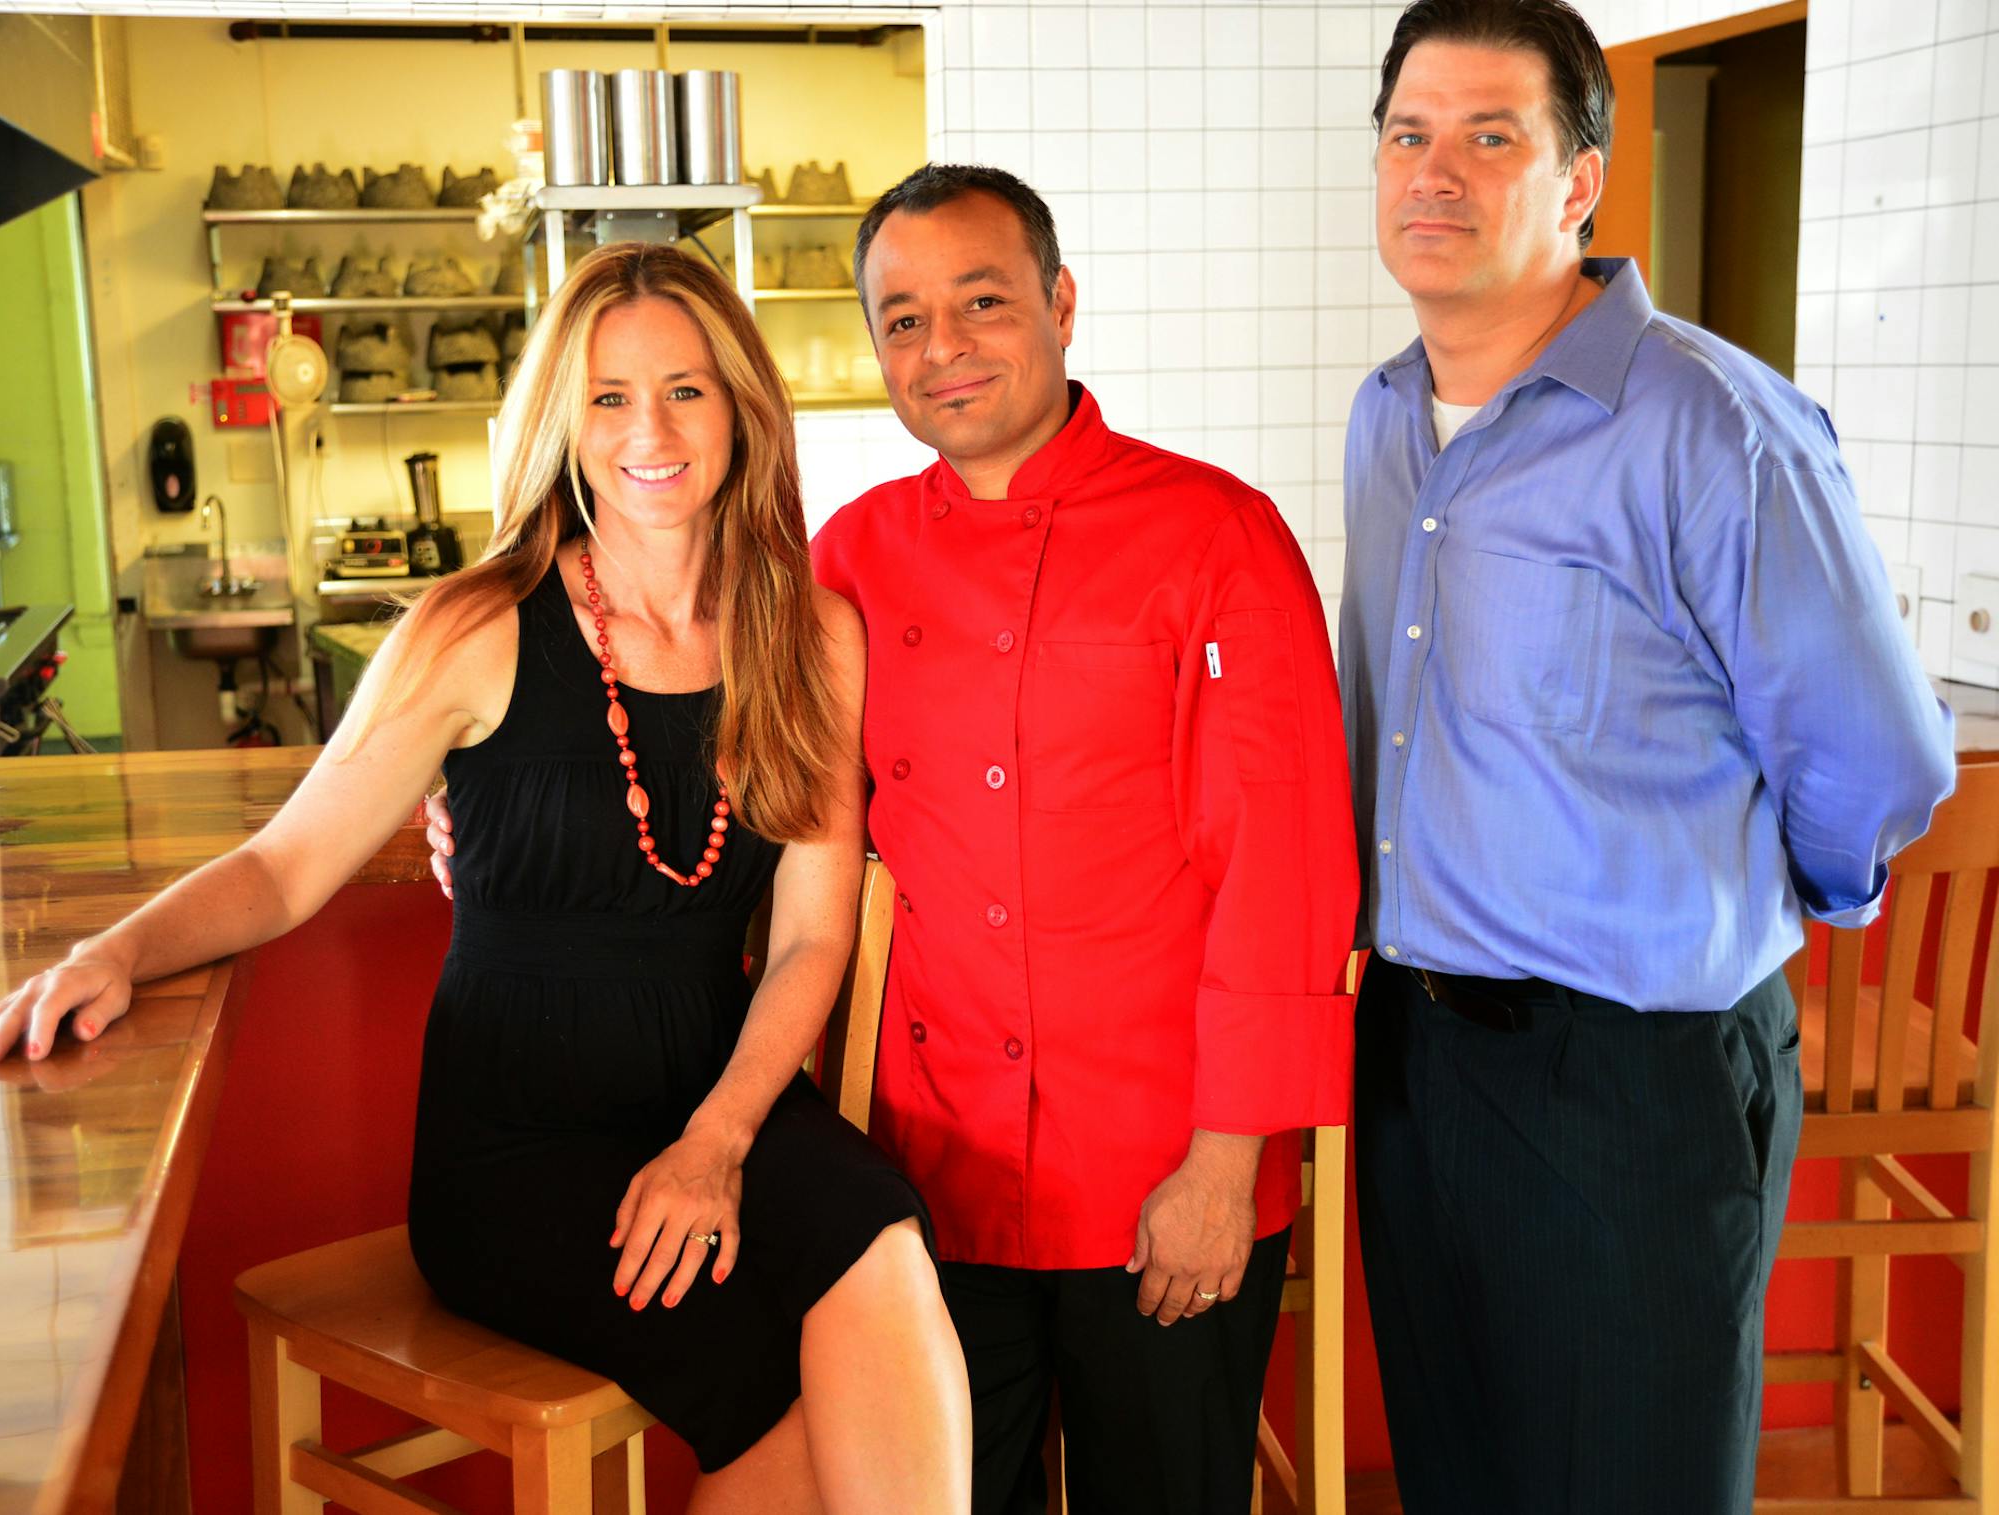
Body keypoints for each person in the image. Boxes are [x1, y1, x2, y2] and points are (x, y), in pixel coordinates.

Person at [0, 242, 972, 1515]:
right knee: (772, 1388)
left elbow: (813, 937)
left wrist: (715, 1141)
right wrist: (114, 954)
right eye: (608, 396)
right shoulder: (477, 627)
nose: (649, 430)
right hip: (520, 1149)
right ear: (564, 423)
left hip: (723, 1102)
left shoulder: (812, 636)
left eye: (685, 390)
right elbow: (283, 868)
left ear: (742, 407)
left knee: (883, 1243)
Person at [431, 164, 1359, 1515]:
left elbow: (1287, 874)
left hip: (1161, 1168)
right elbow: (720, 781)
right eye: (904, 320)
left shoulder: (1217, 537)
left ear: (1061, 304)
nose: (944, 347)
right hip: (935, 1175)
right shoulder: (848, 565)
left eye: (983, 303)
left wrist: (1228, 1163)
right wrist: (474, 798)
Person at [1338, 3, 1958, 1511]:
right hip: (1417, 1049)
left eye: (1491, 136)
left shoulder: (1712, 424)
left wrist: (1759, 898)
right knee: (1459, 1475)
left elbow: (1879, 756)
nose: (1435, 171)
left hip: (1631, 1072)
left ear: (1581, 180)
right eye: (1409, 134)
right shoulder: (1385, 415)